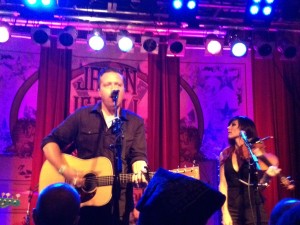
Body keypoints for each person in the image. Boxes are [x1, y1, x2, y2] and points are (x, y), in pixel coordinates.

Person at [41, 67, 148, 225]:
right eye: (108, 84)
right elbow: (49, 143)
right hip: (84, 206)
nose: (114, 88)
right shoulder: (82, 116)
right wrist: (65, 170)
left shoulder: (135, 122)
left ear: (124, 90)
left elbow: (138, 156)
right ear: (99, 91)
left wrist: (140, 171)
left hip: (121, 207)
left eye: (118, 84)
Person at [219, 115, 281, 225]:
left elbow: (258, 187)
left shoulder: (254, 152)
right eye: (229, 125)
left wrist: (267, 176)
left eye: (233, 125)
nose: (228, 127)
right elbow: (223, 185)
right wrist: (225, 213)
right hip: (232, 210)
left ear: (244, 129)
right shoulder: (225, 154)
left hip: (254, 210)